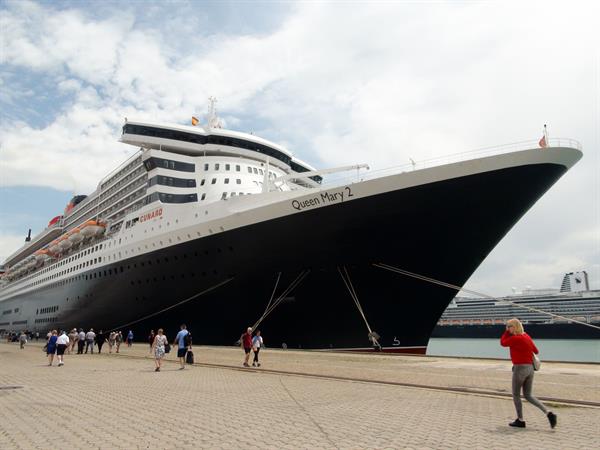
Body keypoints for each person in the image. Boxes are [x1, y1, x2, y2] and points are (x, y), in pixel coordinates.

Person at [501, 318, 557, 429]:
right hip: (530, 369)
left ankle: (520, 420)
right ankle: (548, 413)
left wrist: (506, 333)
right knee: (528, 395)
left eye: (509, 327)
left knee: (516, 395)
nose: (507, 329)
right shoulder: (526, 336)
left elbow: (502, 342)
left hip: (520, 368)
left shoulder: (515, 338)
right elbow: (536, 351)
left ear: (514, 327)